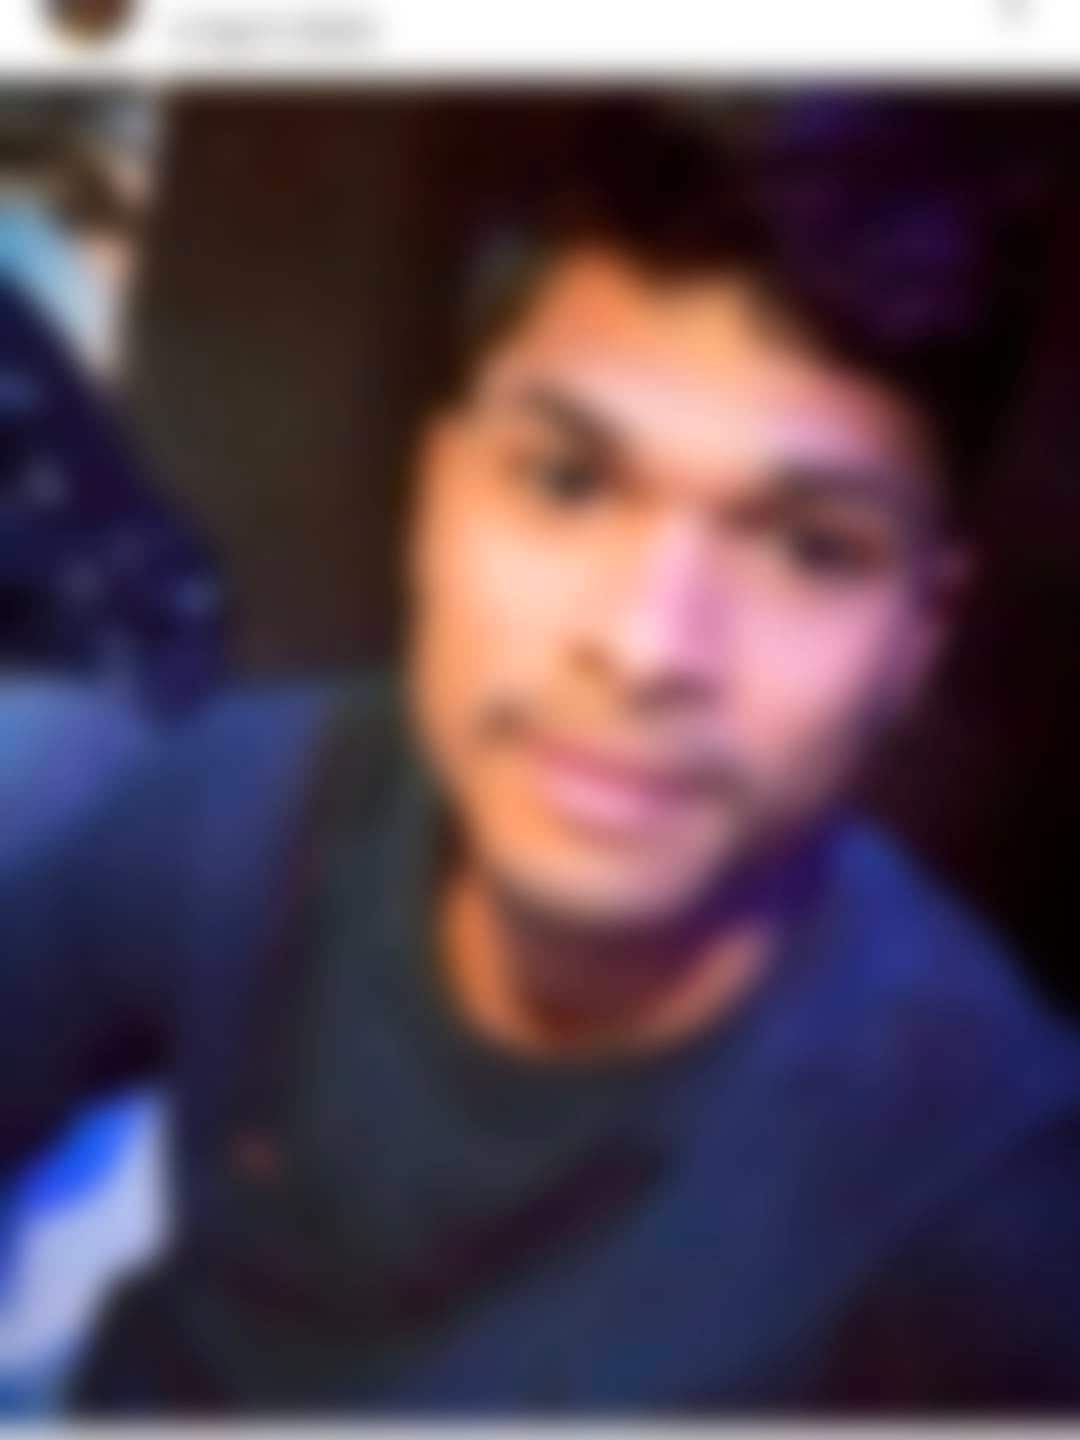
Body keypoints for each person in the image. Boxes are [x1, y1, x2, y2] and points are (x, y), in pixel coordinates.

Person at [2, 100, 1079, 1415]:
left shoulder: (984, 1213)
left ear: (918, 637)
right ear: (436, 496)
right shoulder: (244, 803)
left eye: (812, 548)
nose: (647, 646)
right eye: (566, 482)